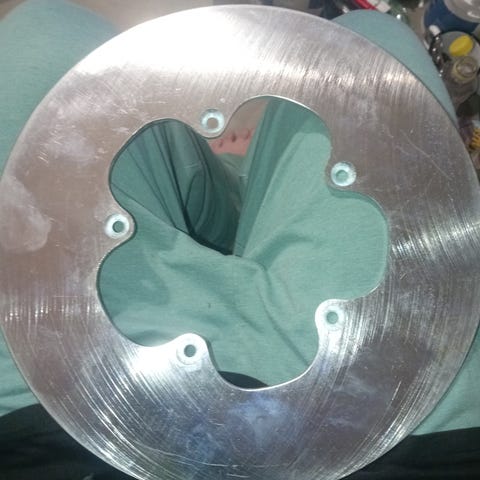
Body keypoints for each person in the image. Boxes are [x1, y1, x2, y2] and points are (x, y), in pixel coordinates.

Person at [0, 1, 479, 478]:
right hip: (402, 421)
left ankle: (225, 205)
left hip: (56, 413)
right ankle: (241, 198)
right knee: (375, 45)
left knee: (47, 29)